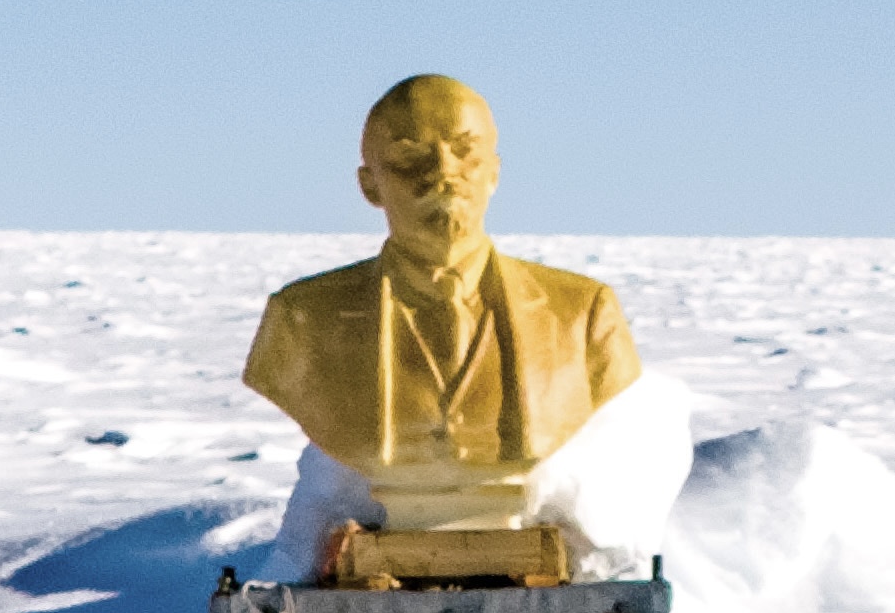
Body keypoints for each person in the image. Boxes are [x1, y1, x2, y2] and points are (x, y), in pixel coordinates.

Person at [243, 73, 688, 576]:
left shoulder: (583, 314)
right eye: (411, 155)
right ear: (370, 184)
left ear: (495, 172)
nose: (442, 174)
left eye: (464, 150)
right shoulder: (302, 319)